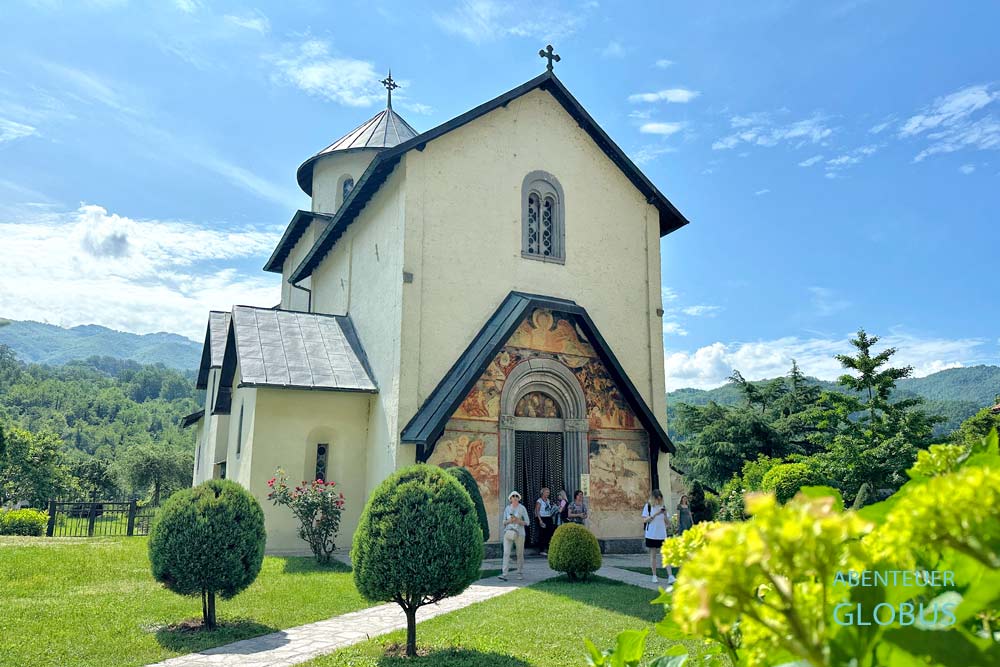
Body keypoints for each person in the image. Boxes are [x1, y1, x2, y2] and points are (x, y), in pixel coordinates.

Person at [642, 489, 676, 585]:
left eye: (660, 499)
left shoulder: (663, 507)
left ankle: (670, 576)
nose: (658, 501)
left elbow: (668, 524)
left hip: (662, 535)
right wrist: (656, 514)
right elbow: (645, 520)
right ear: (653, 498)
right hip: (651, 534)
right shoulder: (648, 506)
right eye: (657, 499)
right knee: (653, 555)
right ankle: (654, 575)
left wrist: (665, 514)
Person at [499, 491, 529, 581]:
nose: (515, 497)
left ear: (519, 498)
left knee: (519, 554)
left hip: (519, 533)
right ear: (510, 499)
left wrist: (518, 521)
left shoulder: (522, 508)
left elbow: (527, 522)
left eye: (517, 496)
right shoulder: (507, 509)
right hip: (508, 532)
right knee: (506, 553)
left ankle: (519, 573)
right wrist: (509, 520)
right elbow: (503, 522)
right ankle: (504, 574)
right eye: (513, 496)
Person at [535, 487, 555, 555]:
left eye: (548, 492)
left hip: (548, 517)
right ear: (542, 493)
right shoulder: (539, 501)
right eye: (547, 492)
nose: (548, 494)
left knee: (549, 533)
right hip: (542, 518)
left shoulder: (548, 500)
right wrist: (540, 520)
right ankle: (542, 550)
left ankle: (548, 548)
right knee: (542, 534)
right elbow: (537, 511)